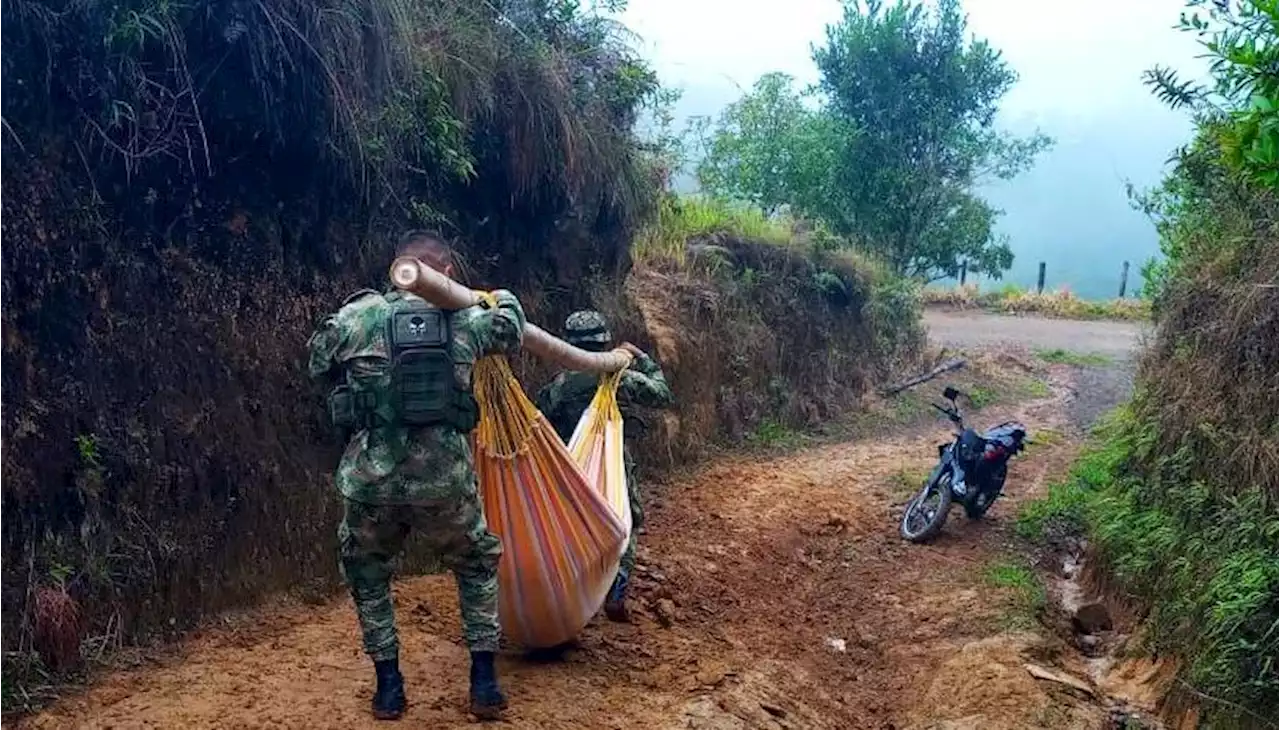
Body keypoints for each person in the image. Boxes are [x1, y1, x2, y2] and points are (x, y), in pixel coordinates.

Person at [307, 230, 525, 721]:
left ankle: (388, 689)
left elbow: (317, 359)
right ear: (444, 273)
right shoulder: (468, 317)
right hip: (444, 483)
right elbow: (510, 329)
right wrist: (502, 296)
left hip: (370, 483)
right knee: (474, 566)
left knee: (368, 576)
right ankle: (484, 684)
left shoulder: (357, 316)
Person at [535, 310, 674, 621]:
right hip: (614, 465)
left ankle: (574, 590)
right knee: (627, 521)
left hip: (570, 467)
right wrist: (642, 359)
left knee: (573, 526)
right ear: (605, 341)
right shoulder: (618, 377)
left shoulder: (559, 385)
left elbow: (540, 420)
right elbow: (662, 394)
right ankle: (616, 590)